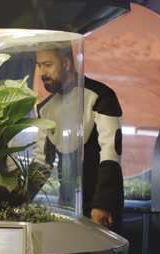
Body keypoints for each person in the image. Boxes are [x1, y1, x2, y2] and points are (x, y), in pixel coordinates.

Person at [34, 45, 124, 231]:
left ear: (66, 63)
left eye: (48, 64)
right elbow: (41, 161)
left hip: (101, 207)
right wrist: (19, 197)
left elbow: (111, 152)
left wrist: (102, 204)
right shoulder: (45, 108)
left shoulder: (100, 96)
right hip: (66, 205)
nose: (42, 72)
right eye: (39, 65)